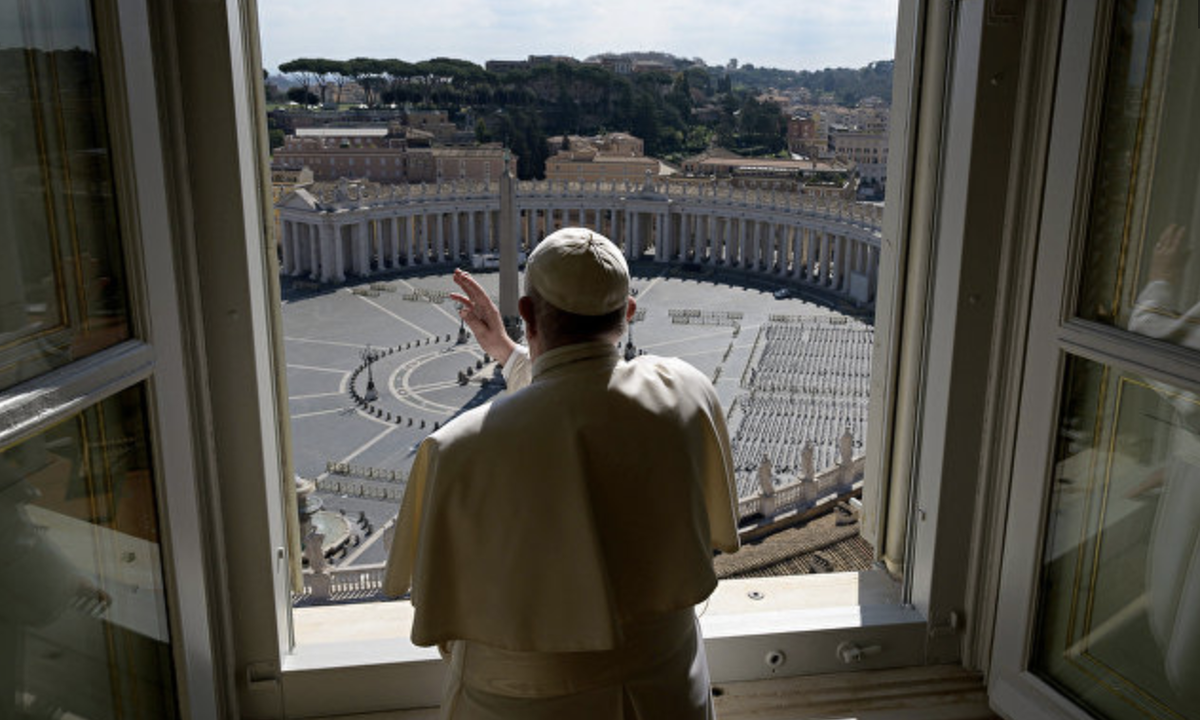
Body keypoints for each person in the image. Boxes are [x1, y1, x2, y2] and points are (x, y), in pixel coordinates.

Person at [384, 228, 740, 719]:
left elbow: (439, 615)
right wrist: (509, 353)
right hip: (668, 689)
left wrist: (515, 350)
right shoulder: (687, 389)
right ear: (629, 313)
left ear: (527, 312)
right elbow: (588, 387)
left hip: (518, 704)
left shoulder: (456, 449)